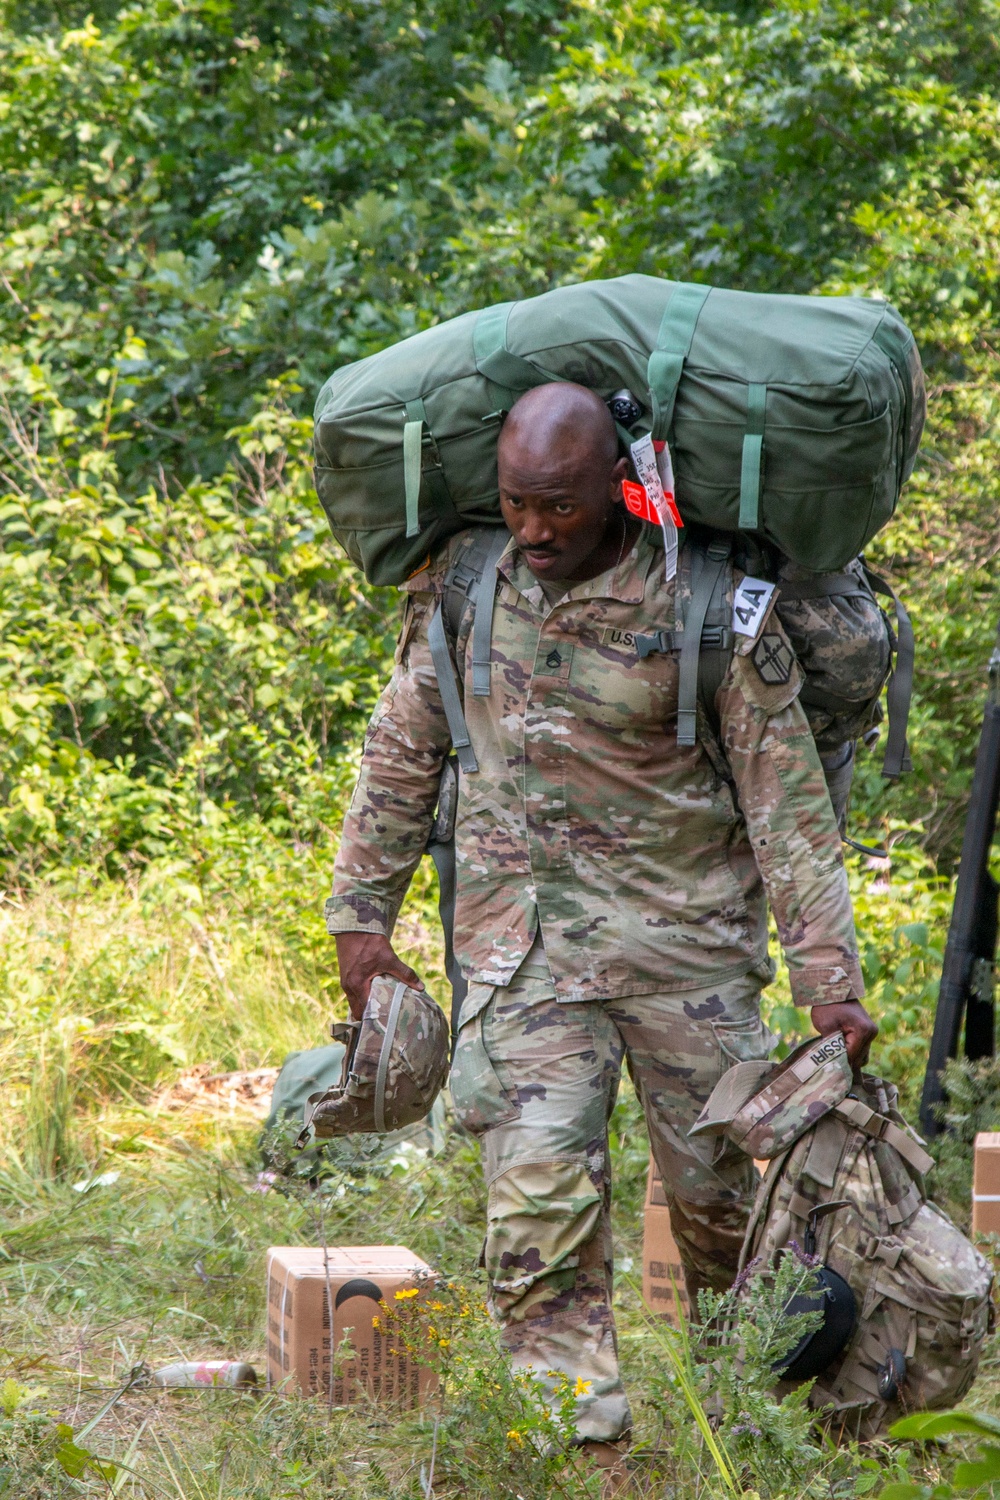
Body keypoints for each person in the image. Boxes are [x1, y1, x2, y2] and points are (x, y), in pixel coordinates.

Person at [327, 381, 876, 1468]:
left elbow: (787, 803)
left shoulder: (707, 604)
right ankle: (576, 1455)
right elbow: (397, 756)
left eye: (561, 508)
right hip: (520, 955)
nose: (534, 531)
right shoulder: (468, 588)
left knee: (732, 1221)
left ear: (618, 487)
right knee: (534, 1218)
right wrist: (360, 918)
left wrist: (831, 982)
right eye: (516, 504)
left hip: (690, 960)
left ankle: (748, 1432)